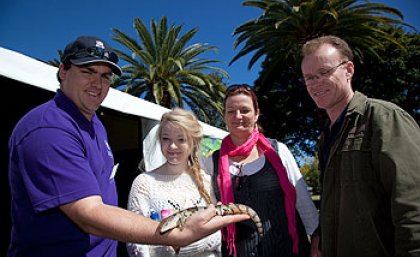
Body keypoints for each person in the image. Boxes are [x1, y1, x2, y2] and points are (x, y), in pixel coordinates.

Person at [7, 36, 248, 257]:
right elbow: (89, 215)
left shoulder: (95, 125)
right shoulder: (49, 129)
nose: (97, 83)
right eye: (87, 71)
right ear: (62, 71)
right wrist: (173, 233)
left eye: (105, 76)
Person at [300, 35, 420, 257]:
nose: (315, 83)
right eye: (309, 77)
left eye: (324, 72)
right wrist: (321, 234)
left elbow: (412, 207)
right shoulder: (325, 137)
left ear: (349, 70)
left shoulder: (383, 118)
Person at [201, 84, 320, 257]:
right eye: (231, 111)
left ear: (256, 114)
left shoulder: (278, 151)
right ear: (224, 116)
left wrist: (316, 238)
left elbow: (302, 199)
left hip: (286, 249)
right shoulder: (211, 162)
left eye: (244, 110)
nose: (238, 116)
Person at [126, 108, 222, 257]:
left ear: (193, 141)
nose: (172, 146)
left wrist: (181, 245)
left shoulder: (207, 180)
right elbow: (136, 242)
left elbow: (219, 233)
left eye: (181, 139)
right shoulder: (144, 183)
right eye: (166, 139)